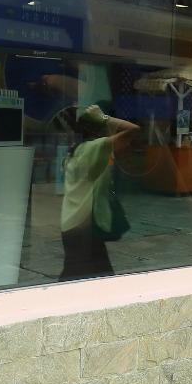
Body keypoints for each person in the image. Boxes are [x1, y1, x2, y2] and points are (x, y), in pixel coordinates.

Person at [59, 104, 138, 280]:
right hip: (84, 227)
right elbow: (132, 130)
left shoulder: (74, 151)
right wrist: (104, 117)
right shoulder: (93, 148)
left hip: (72, 223)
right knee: (85, 277)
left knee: (93, 274)